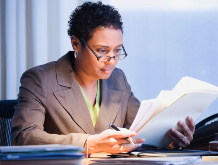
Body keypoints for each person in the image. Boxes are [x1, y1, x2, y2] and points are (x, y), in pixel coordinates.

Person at [11, 1, 195, 154]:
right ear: (76, 44)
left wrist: (171, 138)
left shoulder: (118, 79)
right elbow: (24, 137)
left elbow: (142, 129)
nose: (112, 61)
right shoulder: (40, 79)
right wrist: (87, 143)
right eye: (102, 51)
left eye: (117, 51)